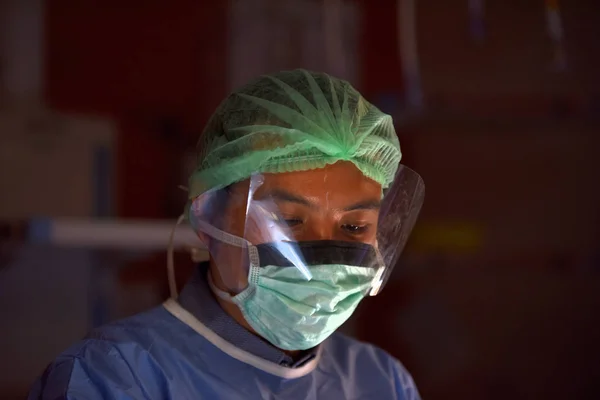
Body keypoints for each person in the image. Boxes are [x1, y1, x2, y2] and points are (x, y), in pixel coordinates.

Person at [29, 70, 425, 399]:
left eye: (354, 226)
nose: (320, 256)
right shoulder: (115, 377)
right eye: (289, 221)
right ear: (208, 217)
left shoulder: (382, 382)